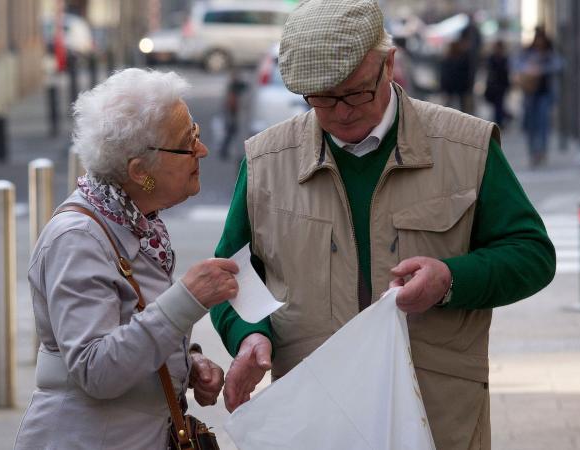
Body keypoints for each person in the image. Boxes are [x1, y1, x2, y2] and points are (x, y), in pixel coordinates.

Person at [211, 0, 556, 448]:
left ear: (389, 63)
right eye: (322, 98)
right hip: (319, 418)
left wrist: (451, 279)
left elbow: (532, 253)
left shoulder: (465, 147)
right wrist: (248, 336)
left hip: (437, 415)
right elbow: (226, 278)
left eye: (356, 92)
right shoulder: (267, 161)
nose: (342, 111)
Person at [15, 68, 238, 449]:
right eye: (188, 143)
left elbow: (131, 327)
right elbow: (95, 369)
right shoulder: (78, 238)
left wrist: (188, 362)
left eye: (197, 134)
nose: (202, 151)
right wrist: (187, 299)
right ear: (140, 172)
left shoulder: (135, 221)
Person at [517, 27, 563, 168]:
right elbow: (517, 65)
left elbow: (560, 65)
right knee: (531, 125)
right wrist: (529, 69)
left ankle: (542, 151)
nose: (539, 43)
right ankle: (533, 152)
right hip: (530, 94)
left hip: (544, 94)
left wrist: (541, 69)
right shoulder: (527, 53)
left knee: (543, 123)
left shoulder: (550, 55)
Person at [217, 68, 248, 161]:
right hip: (232, 114)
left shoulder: (234, 85)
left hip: (232, 113)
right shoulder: (233, 86)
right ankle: (224, 150)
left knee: (231, 132)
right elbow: (230, 102)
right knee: (231, 131)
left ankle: (224, 150)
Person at [439, 39, 473, 113]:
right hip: (460, 86)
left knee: (449, 107)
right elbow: (467, 74)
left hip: (452, 86)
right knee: (461, 107)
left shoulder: (448, 58)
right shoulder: (463, 58)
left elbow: (444, 74)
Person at [483, 39, 511, 128]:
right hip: (493, 86)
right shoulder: (491, 58)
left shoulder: (504, 59)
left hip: (501, 86)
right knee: (496, 105)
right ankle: (502, 119)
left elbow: (506, 73)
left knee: (499, 105)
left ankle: (499, 122)